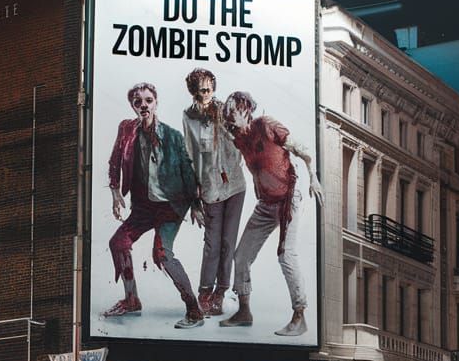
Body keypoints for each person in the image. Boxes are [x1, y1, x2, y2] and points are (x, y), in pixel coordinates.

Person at [219, 91, 323, 337]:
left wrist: (313, 177)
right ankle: (244, 312)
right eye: (226, 116)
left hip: (289, 198)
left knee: (286, 255)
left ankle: (300, 315)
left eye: (232, 114)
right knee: (241, 256)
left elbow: (302, 150)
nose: (229, 121)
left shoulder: (266, 125)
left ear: (245, 110)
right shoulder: (238, 140)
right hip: (265, 205)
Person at [105, 82, 205, 329]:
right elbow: (115, 160)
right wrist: (115, 192)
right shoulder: (127, 130)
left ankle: (194, 309)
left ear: (156, 103)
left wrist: (195, 204)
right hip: (143, 205)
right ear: (133, 106)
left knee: (161, 255)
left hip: (170, 205)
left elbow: (188, 171)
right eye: (138, 101)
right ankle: (131, 300)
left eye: (148, 100)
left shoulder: (172, 136)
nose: (143, 105)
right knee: (118, 243)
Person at [181, 67, 246, 318]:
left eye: (208, 89)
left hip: (235, 185)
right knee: (212, 242)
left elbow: (241, 140)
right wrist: (193, 195)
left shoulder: (226, 110)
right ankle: (205, 292)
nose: (205, 95)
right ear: (193, 92)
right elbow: (190, 152)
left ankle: (221, 291)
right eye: (200, 91)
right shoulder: (189, 116)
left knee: (228, 242)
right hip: (209, 187)